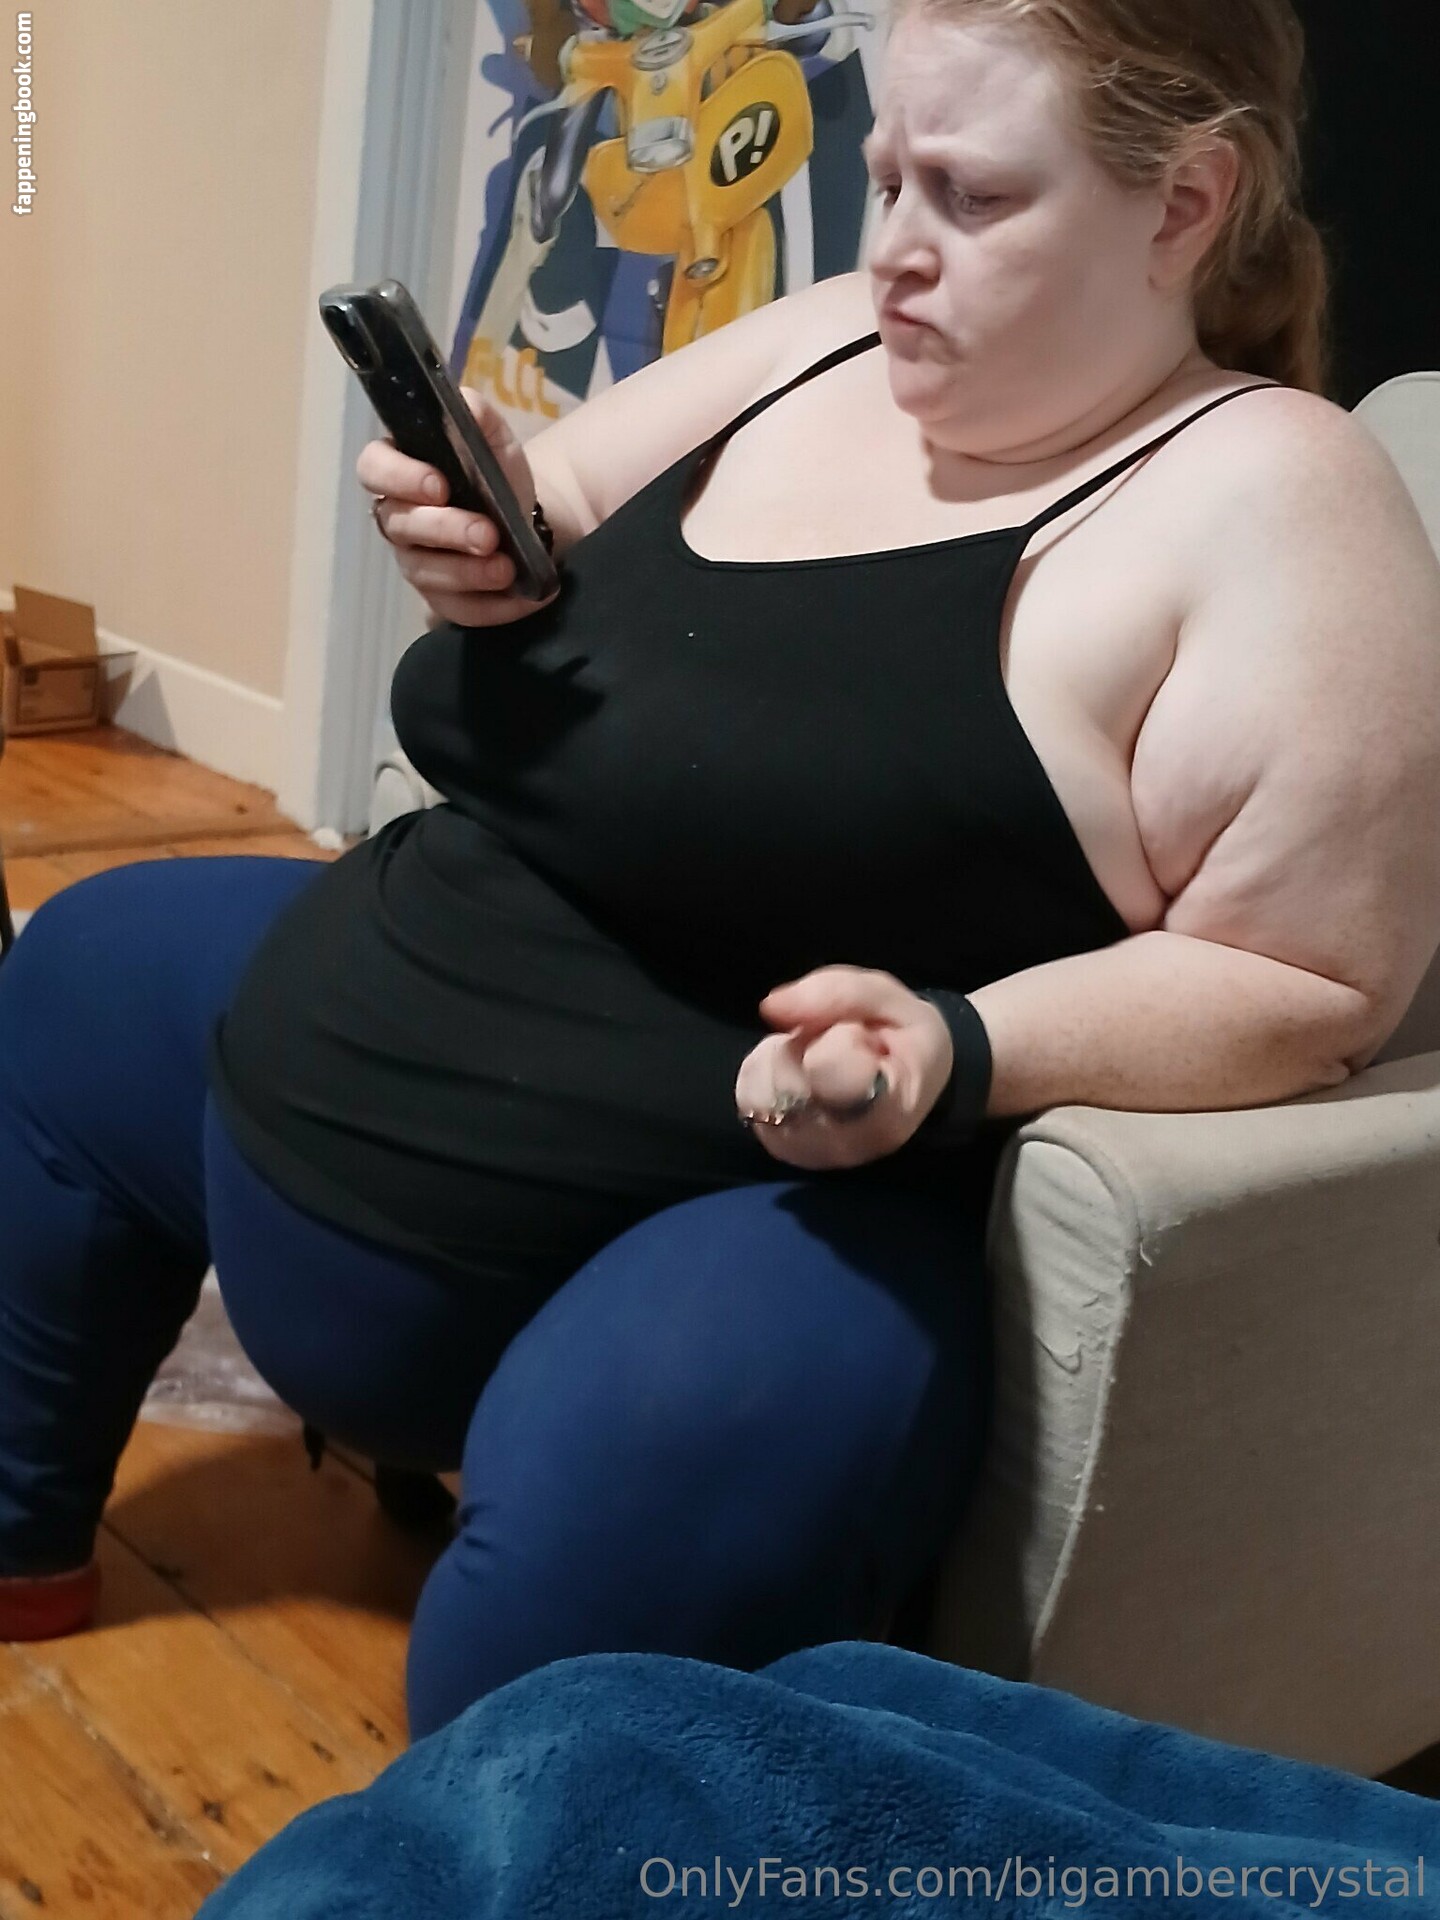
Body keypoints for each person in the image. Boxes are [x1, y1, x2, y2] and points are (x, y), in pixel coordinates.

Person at [2, 0, 1436, 1747]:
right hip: (374, 1011)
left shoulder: (1277, 502)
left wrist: (957, 1045)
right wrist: (468, 529)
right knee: (83, 963)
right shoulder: (834, 336)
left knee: (638, 1532)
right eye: (887, 177)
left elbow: (1311, 984)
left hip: (749, 1204)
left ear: (1186, 203)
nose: (896, 247)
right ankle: (20, 1540)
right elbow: (553, 497)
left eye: (973, 196)